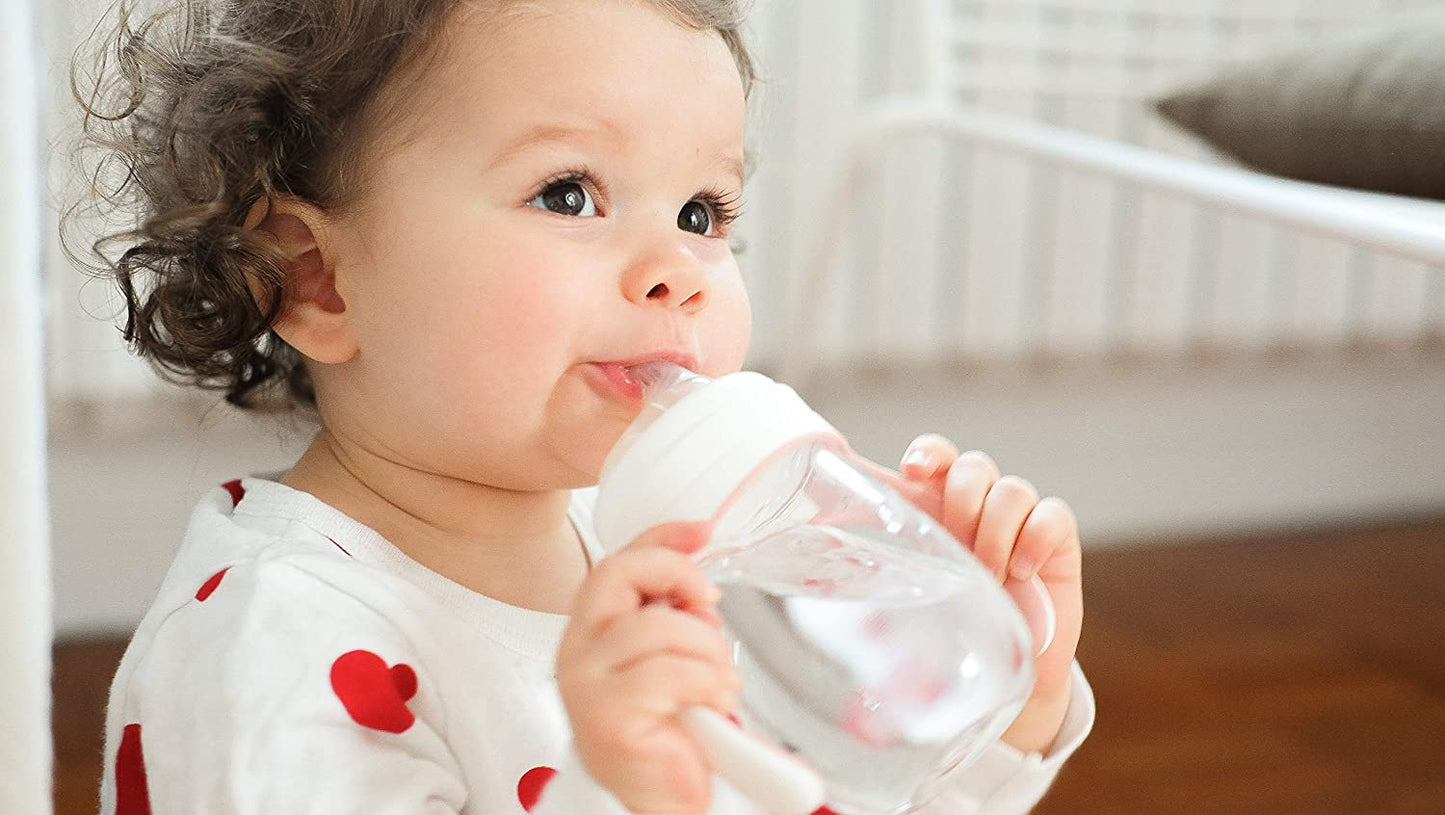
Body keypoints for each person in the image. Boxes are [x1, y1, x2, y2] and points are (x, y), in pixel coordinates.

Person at [69, 0, 1094, 811]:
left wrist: (1006, 705)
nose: (678, 271)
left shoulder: (660, 553)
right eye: (569, 193)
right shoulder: (269, 650)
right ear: (317, 279)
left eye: (702, 212)